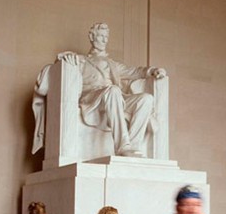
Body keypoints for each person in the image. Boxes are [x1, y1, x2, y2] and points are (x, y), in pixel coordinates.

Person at [58, 23, 167, 157]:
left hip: (114, 97)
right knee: (113, 90)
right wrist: (66, 57)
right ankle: (122, 146)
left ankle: (133, 146)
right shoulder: (81, 60)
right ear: (92, 37)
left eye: (106, 37)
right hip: (92, 97)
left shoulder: (113, 64)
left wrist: (153, 70)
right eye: (101, 36)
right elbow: (61, 62)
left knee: (146, 99)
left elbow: (134, 71)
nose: (105, 40)